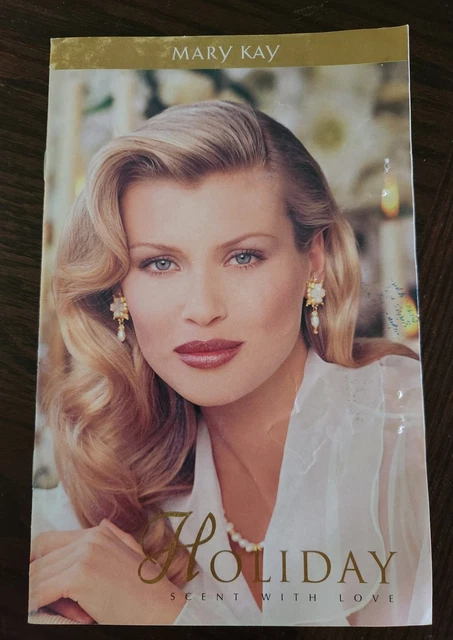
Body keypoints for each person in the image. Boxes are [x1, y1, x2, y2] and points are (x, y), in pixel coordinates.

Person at [29, 100, 431, 626]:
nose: (202, 309)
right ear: (118, 289)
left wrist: (163, 615)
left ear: (313, 261)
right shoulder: (119, 473)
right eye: (160, 263)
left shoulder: (411, 433)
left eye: (243, 257)